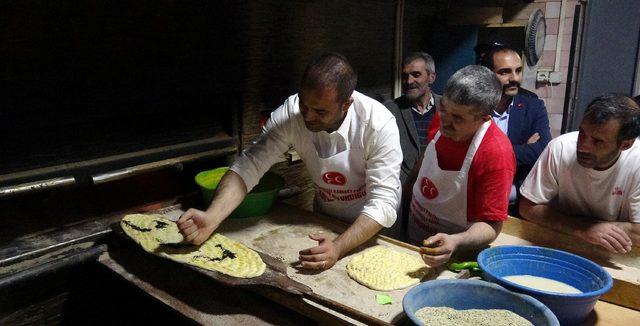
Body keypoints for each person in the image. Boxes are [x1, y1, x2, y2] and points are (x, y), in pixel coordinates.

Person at [177, 53, 402, 270]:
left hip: (369, 230)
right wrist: (211, 217)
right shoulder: (291, 113)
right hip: (323, 219)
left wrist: (339, 247)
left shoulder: (378, 124)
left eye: (320, 111)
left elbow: (383, 203)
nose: (308, 116)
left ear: (346, 105)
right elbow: (250, 165)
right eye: (304, 105)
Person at [407, 65, 516, 267]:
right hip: (413, 235)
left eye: (458, 118)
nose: (445, 122)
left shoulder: (495, 153)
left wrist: (456, 241)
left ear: (484, 117)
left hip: (455, 254)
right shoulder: (443, 120)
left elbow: (492, 225)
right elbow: (423, 161)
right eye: (443, 109)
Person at [519, 94, 640, 254]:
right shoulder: (560, 148)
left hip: (616, 255)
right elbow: (527, 208)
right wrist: (583, 229)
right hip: (560, 242)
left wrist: (593, 229)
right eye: (582, 133)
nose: (583, 146)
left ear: (625, 145)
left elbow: (638, 234)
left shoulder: (636, 162)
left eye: (597, 141)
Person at [480, 45, 551, 205]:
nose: (515, 78)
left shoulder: (533, 107)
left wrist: (491, 154)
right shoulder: (475, 107)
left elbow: (543, 150)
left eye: (518, 71)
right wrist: (523, 148)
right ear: (487, 75)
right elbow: (470, 153)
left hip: (517, 203)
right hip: (477, 198)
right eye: (505, 72)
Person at [383, 52, 441, 241]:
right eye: (405, 76)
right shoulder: (389, 110)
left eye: (416, 75)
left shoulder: (448, 107)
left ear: (431, 77)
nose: (409, 81)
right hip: (402, 192)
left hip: (438, 189)